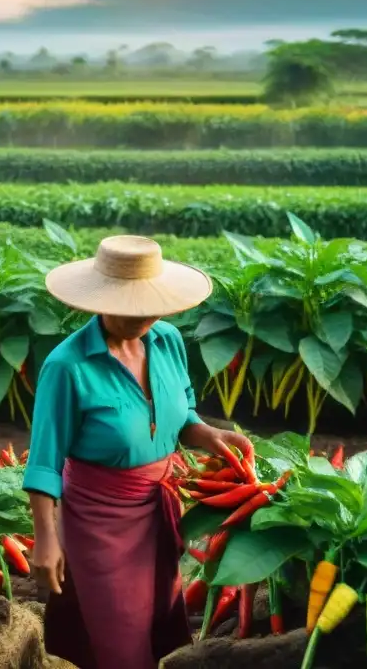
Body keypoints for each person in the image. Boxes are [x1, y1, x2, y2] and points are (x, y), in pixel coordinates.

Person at [22, 235, 255, 669]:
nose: (143, 318)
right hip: (98, 521)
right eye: (130, 308)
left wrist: (207, 434)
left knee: (160, 618)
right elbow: (44, 462)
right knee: (118, 632)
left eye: (150, 305)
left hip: (158, 509)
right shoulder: (67, 366)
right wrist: (46, 540)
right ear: (100, 301)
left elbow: (180, 411)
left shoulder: (166, 341)